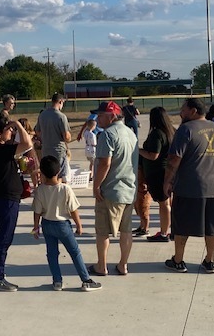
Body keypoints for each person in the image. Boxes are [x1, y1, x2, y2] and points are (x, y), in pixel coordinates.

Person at [164, 98, 214, 274]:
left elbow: (174, 159)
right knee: (213, 227)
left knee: (181, 225)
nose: (180, 113)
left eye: (183, 109)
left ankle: (178, 261)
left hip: (188, 187)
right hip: (213, 187)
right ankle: (210, 261)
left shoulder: (185, 130)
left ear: (193, 111)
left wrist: (167, 181)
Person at [32, 155, 101, 292]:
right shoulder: (65, 189)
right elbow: (73, 209)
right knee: (74, 252)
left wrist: (36, 227)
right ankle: (85, 280)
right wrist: (79, 225)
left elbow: (37, 211)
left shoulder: (40, 190)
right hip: (63, 225)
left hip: (47, 224)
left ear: (43, 173)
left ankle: (57, 281)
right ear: (59, 172)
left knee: (52, 254)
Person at [89, 101, 138, 277]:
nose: (97, 118)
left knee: (102, 231)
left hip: (110, 190)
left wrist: (96, 186)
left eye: (101, 115)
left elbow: (105, 163)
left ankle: (101, 265)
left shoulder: (107, 135)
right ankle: (123, 264)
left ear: (112, 116)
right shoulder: (131, 134)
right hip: (128, 189)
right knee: (126, 230)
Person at [0, 115, 32, 291]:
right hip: (5, 199)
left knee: (0, 237)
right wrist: (19, 125)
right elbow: (28, 144)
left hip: (3, 197)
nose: (11, 131)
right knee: (4, 238)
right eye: (8, 129)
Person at [137, 107, 175, 241]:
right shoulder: (171, 131)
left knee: (163, 203)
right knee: (168, 202)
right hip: (169, 170)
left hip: (158, 172)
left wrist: (138, 150)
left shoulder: (157, 134)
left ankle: (164, 233)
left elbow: (153, 155)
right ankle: (171, 229)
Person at [35, 93, 72, 182]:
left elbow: (37, 131)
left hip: (46, 149)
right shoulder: (61, 116)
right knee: (59, 175)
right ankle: (57, 194)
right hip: (58, 150)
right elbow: (66, 136)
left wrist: (45, 137)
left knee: (47, 174)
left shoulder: (42, 114)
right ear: (60, 101)